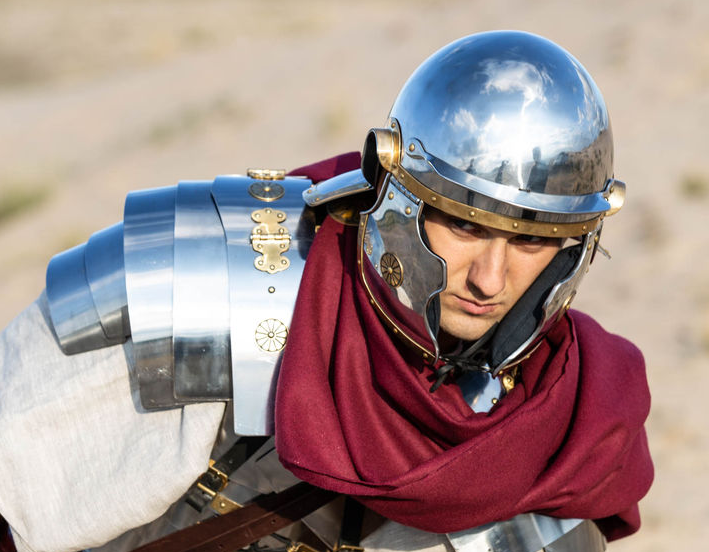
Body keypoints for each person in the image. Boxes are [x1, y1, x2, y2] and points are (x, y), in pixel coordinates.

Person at [0, 30, 652, 552]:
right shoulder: (220, 284)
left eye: (529, 243)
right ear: (397, 193)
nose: (488, 279)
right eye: (461, 225)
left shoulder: (561, 424)